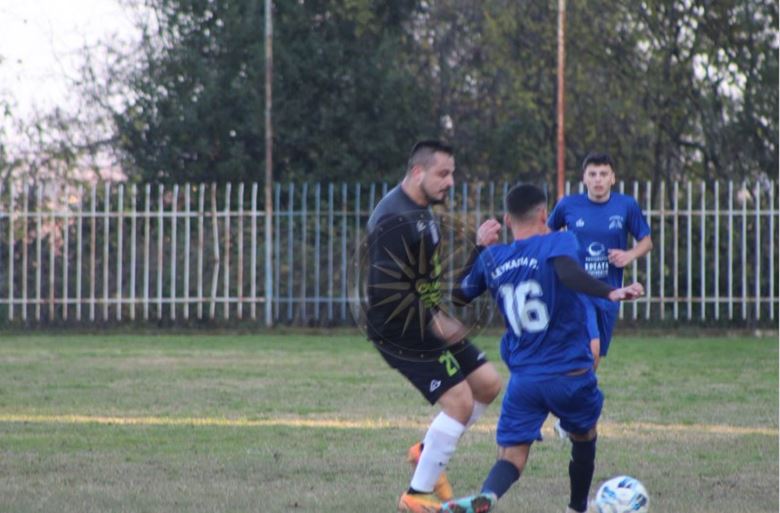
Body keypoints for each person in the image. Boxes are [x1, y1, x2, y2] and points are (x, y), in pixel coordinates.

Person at [440, 184, 644, 513]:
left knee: (512, 457)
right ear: (544, 215)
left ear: (507, 220)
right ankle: (577, 507)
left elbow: (459, 295)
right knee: (584, 436)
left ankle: (489, 495)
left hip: (525, 381)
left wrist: (478, 248)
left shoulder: (493, 257)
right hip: (570, 374)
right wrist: (609, 292)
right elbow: (569, 273)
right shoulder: (559, 241)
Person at [364, 140, 503, 513]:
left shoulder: (422, 212)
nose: (450, 181)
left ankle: (427, 452)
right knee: (459, 402)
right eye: (443, 174)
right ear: (417, 172)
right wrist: (433, 320)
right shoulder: (394, 219)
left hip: (426, 317)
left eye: (452, 173)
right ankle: (416, 494)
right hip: (399, 329)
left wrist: (478, 248)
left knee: (488, 384)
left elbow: (432, 282)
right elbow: (385, 292)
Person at [547, 151, 653, 366]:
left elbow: (647, 242)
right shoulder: (568, 205)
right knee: (591, 348)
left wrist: (629, 255)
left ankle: (576, 385)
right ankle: (573, 385)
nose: (598, 179)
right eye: (592, 174)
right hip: (577, 289)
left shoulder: (626, 205)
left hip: (610, 291)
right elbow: (546, 235)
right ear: (584, 178)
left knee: (595, 355)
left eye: (603, 174)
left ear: (612, 178)